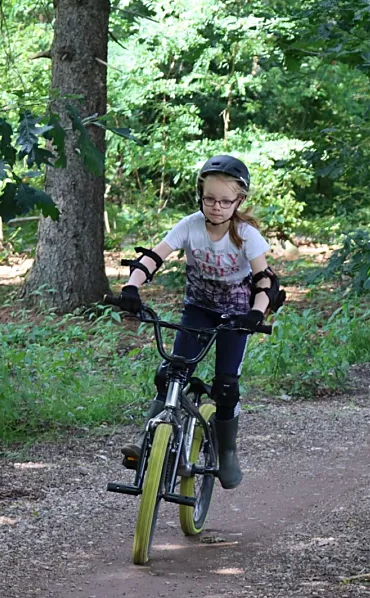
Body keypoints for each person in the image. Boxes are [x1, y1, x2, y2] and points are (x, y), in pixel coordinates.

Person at [115, 155, 283, 489]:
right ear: (200, 196)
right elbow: (154, 256)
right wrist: (132, 286)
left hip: (237, 315)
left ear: (239, 201)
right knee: (172, 372)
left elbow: (265, 281)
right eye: (210, 199)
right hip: (199, 309)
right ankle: (149, 440)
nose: (217, 207)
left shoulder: (247, 235)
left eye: (225, 201)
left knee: (225, 387)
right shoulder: (190, 225)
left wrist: (256, 312)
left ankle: (227, 454)